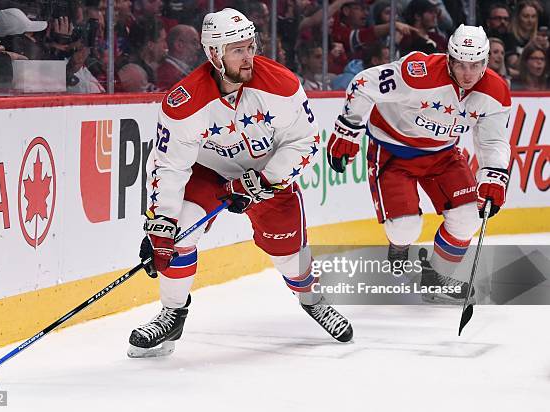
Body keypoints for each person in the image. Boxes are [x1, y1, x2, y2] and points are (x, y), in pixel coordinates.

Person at [128, 8, 353, 358]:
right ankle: (172, 313)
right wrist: (161, 226)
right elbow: (169, 166)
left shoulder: (281, 85)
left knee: (290, 257)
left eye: (251, 46)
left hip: (266, 174)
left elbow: (305, 141)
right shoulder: (183, 102)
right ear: (213, 54)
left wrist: (263, 181)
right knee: (180, 230)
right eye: (237, 50)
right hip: (209, 172)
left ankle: (312, 299)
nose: (249, 57)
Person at [327, 25, 511, 303]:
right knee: (404, 227)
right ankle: (399, 246)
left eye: (475, 65)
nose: (467, 74)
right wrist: (348, 129)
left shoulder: (496, 92)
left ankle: (434, 276)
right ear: (449, 58)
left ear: (486, 61)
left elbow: (493, 142)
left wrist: (494, 176)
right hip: (393, 151)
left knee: (468, 217)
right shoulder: (418, 73)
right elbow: (364, 83)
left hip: (443, 154)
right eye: (460, 64)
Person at [155, 24, 201, 91]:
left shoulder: (177, 71)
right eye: (194, 43)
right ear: (179, 45)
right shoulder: (166, 74)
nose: (198, 47)